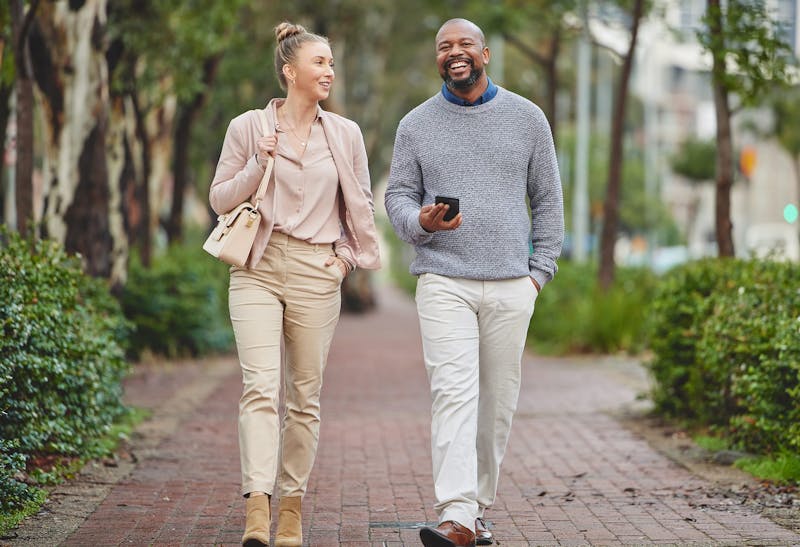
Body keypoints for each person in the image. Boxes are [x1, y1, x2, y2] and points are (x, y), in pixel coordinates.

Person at [384, 17, 564, 547]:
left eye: (465, 44)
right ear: (437, 59)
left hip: (512, 284)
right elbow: (398, 196)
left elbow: (548, 198)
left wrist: (538, 274)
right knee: (453, 393)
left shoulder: (527, 118)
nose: (455, 52)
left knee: (497, 404)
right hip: (444, 279)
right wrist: (421, 221)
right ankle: (457, 515)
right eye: (445, 46)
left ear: (485, 53)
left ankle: (478, 507)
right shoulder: (415, 124)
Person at [208, 21, 381, 547]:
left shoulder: (345, 134)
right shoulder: (247, 127)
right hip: (257, 266)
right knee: (260, 388)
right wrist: (257, 164)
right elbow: (220, 198)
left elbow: (360, 206)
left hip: (317, 270)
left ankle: (290, 511)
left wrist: (345, 261)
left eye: (331, 63)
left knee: (304, 400)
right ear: (290, 71)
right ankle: (256, 510)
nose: (329, 71)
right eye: (319, 62)